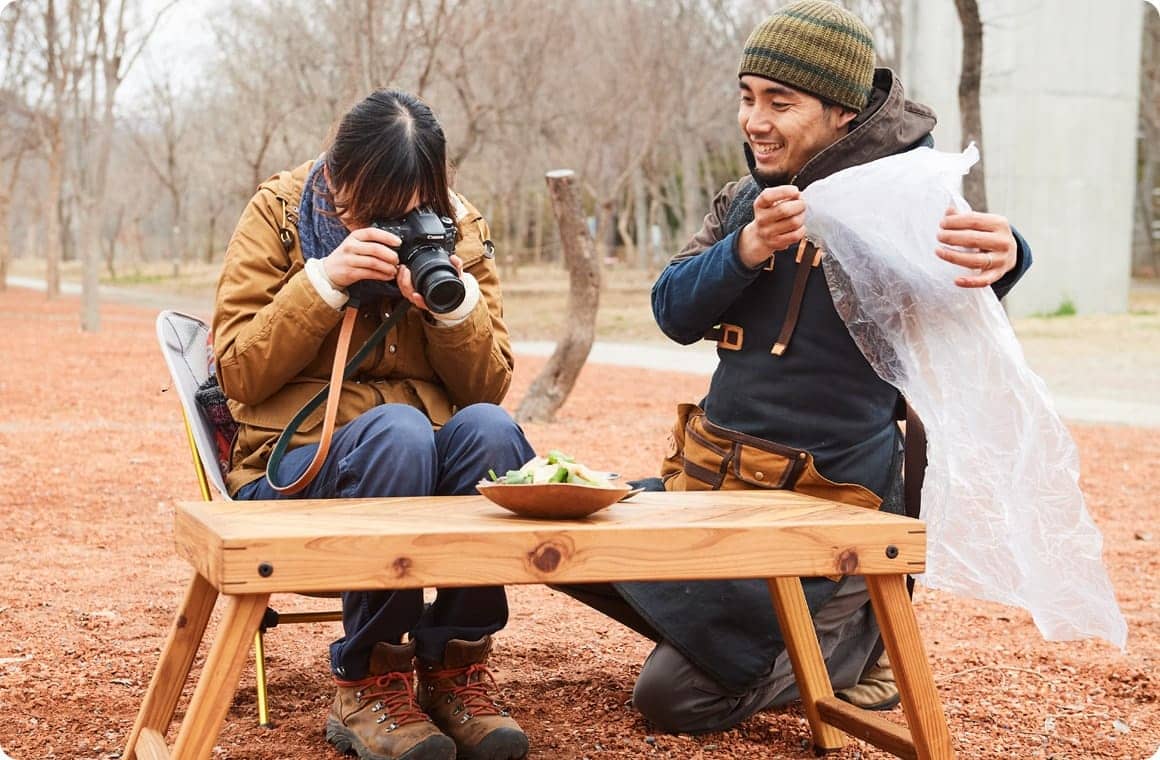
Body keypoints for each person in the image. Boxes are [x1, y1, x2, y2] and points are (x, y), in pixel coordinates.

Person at [557, 0, 1033, 736]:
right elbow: (672, 311)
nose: (755, 120)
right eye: (747, 97)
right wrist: (743, 251)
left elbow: (967, 281)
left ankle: (849, 650)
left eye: (780, 102)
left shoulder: (906, 197)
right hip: (712, 491)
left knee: (672, 700)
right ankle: (728, 632)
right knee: (566, 550)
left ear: (843, 112)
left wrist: (1010, 256)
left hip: (828, 516)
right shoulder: (745, 199)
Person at [213, 90, 533, 760]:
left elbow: (490, 386)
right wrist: (323, 284)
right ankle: (368, 681)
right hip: (296, 472)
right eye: (379, 203)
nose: (398, 219)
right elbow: (237, 373)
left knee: (491, 433)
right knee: (398, 433)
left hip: (416, 466)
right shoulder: (279, 215)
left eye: (416, 201)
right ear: (338, 176)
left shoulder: (454, 226)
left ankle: (456, 670)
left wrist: (451, 312)